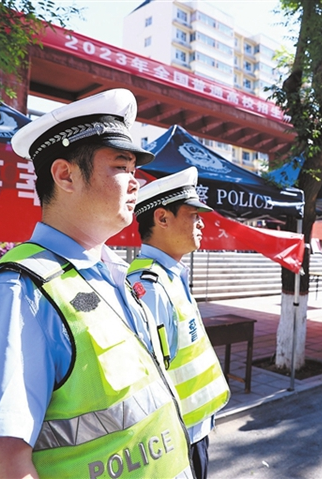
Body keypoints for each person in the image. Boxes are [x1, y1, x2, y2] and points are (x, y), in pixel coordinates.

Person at [0, 89, 193, 478]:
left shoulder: (115, 273)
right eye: (122, 166)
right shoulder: (16, 292)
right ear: (65, 175)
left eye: (135, 170)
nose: (136, 183)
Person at [127, 167, 230, 479]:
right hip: (175, 437)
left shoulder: (169, 276)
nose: (201, 223)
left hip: (192, 429)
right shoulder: (149, 287)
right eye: (193, 215)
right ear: (162, 218)